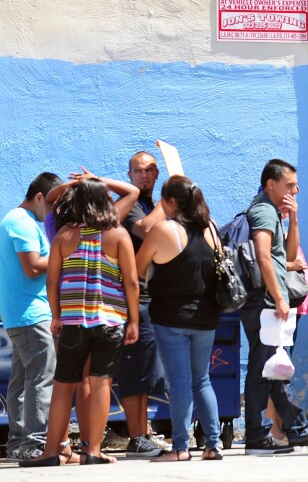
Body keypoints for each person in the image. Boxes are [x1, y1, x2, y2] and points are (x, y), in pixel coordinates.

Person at [21, 178, 139, 466]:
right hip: (110, 321)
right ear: (103, 202)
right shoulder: (119, 235)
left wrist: (57, 314)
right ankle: (94, 451)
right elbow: (132, 282)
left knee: (63, 386)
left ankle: (50, 452)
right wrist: (133, 320)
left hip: (73, 323)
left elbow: (52, 281)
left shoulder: (63, 236)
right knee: (101, 384)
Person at [136, 176, 223, 461]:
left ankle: (181, 448)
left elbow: (138, 267)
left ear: (171, 202)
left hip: (170, 318)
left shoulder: (164, 230)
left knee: (180, 382)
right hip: (207, 317)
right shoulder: (210, 228)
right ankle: (213, 445)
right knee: (202, 380)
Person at [241, 158, 308, 455]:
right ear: (271, 184)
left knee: (273, 369)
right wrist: (280, 296)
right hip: (265, 303)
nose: (294, 190)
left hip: (269, 302)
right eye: (289, 185)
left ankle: (295, 431)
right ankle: (258, 436)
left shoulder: (274, 212)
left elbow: (286, 254)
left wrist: (294, 219)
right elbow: (263, 256)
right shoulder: (262, 211)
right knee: (263, 370)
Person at [0, 172, 62, 461]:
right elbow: (33, 267)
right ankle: (33, 444)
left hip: (23, 314)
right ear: (39, 197)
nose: (53, 213)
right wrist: (65, 254)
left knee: (23, 381)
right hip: (31, 314)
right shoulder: (21, 222)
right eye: (52, 205)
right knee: (41, 377)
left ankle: (18, 444)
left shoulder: (17, 220)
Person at [118, 151, 170, 456]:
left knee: (148, 369)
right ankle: (135, 436)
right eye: (138, 171)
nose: (144, 176)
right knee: (134, 367)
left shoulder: (152, 205)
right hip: (135, 300)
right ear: (130, 176)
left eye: (150, 170)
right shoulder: (134, 207)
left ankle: (144, 432)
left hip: (155, 298)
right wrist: (167, 202)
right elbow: (146, 229)